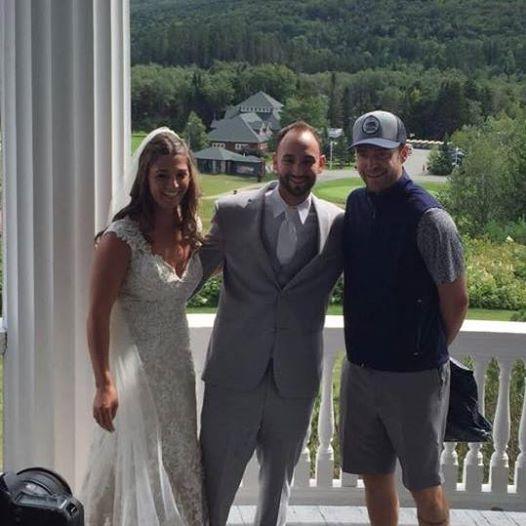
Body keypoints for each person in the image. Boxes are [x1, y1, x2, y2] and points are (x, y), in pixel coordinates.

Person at [198, 121, 343, 526]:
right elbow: (189, 276)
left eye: (307, 161)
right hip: (233, 376)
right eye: (289, 160)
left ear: (321, 163)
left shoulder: (339, 225)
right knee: (214, 488)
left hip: (295, 381)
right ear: (273, 161)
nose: (297, 169)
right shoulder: (232, 214)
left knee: (278, 489)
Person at [340, 110, 468, 526]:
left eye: (382, 153)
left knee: (424, 487)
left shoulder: (429, 218)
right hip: (361, 370)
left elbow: (457, 301)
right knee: (374, 476)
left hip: (414, 377)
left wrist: (422, 349)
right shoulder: (357, 204)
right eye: (363, 153)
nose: (371, 163)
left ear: (404, 152)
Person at [81, 128, 207, 526]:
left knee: (179, 460)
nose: (173, 185)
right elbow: (97, 315)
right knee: (133, 468)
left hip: (178, 371)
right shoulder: (122, 238)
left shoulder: (190, 228)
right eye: (162, 175)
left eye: (180, 175)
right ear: (145, 178)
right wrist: (104, 382)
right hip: (137, 374)